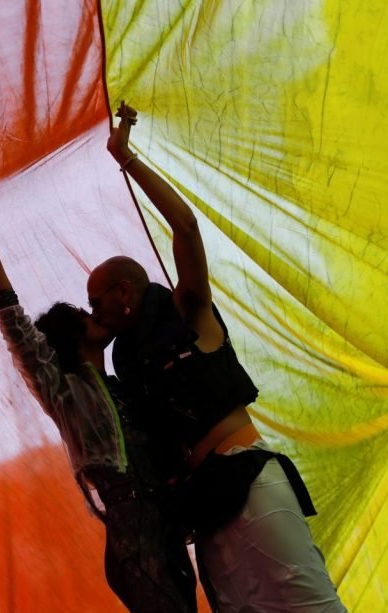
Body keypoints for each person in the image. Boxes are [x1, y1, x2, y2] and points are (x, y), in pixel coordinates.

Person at [89, 102, 345, 612]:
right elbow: (111, 423)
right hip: (202, 508)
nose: (94, 312)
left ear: (124, 292)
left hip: (247, 481)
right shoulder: (129, 364)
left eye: (98, 302)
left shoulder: (188, 310)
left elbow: (186, 229)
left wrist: (127, 158)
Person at [0, 200, 196, 612]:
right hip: (132, 536)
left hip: (164, 524)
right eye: (86, 314)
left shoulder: (124, 387)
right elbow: (17, 327)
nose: (95, 314)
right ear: (71, 336)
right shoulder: (64, 392)